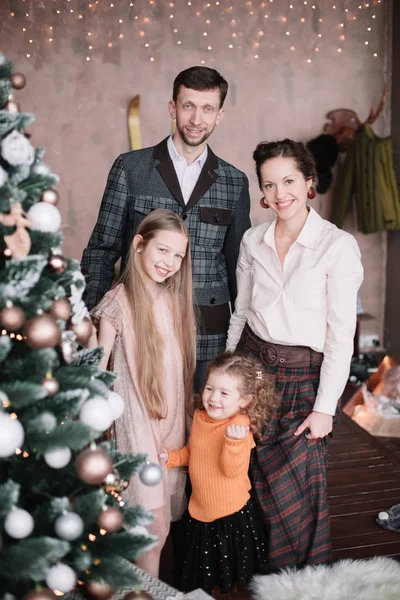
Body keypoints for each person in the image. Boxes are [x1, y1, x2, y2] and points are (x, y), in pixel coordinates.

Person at [226, 139, 364, 571]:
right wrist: (228, 372)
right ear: (262, 193)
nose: (279, 193)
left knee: (299, 484)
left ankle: (299, 583)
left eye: (289, 180)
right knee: (247, 473)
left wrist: (326, 409)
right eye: (269, 184)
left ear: (309, 183)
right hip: (252, 368)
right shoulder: (252, 240)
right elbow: (242, 311)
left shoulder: (337, 246)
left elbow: (342, 335)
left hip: (305, 376)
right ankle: (257, 573)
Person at [81, 66, 251, 391]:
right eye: (188, 106)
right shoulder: (130, 169)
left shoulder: (234, 182)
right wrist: (93, 318)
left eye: (207, 109)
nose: (196, 119)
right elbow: (102, 250)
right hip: (139, 323)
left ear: (220, 115)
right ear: (173, 107)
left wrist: (241, 340)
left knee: (202, 428)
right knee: (144, 429)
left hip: (208, 332)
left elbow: (238, 266)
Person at [89, 209, 196, 578]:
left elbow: (176, 373)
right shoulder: (116, 303)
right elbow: (97, 373)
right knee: (150, 528)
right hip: (135, 423)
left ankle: (145, 587)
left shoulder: (172, 301)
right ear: (138, 245)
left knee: (162, 524)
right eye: (162, 250)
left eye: (178, 256)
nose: (170, 262)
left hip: (169, 422)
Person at [162, 352, 276, 593]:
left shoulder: (239, 429)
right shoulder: (202, 418)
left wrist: (233, 443)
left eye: (224, 393)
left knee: (231, 575)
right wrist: (172, 458)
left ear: (244, 400)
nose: (213, 398)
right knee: (202, 573)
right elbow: (196, 452)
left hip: (230, 516)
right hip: (200, 509)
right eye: (210, 389)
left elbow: (231, 470)